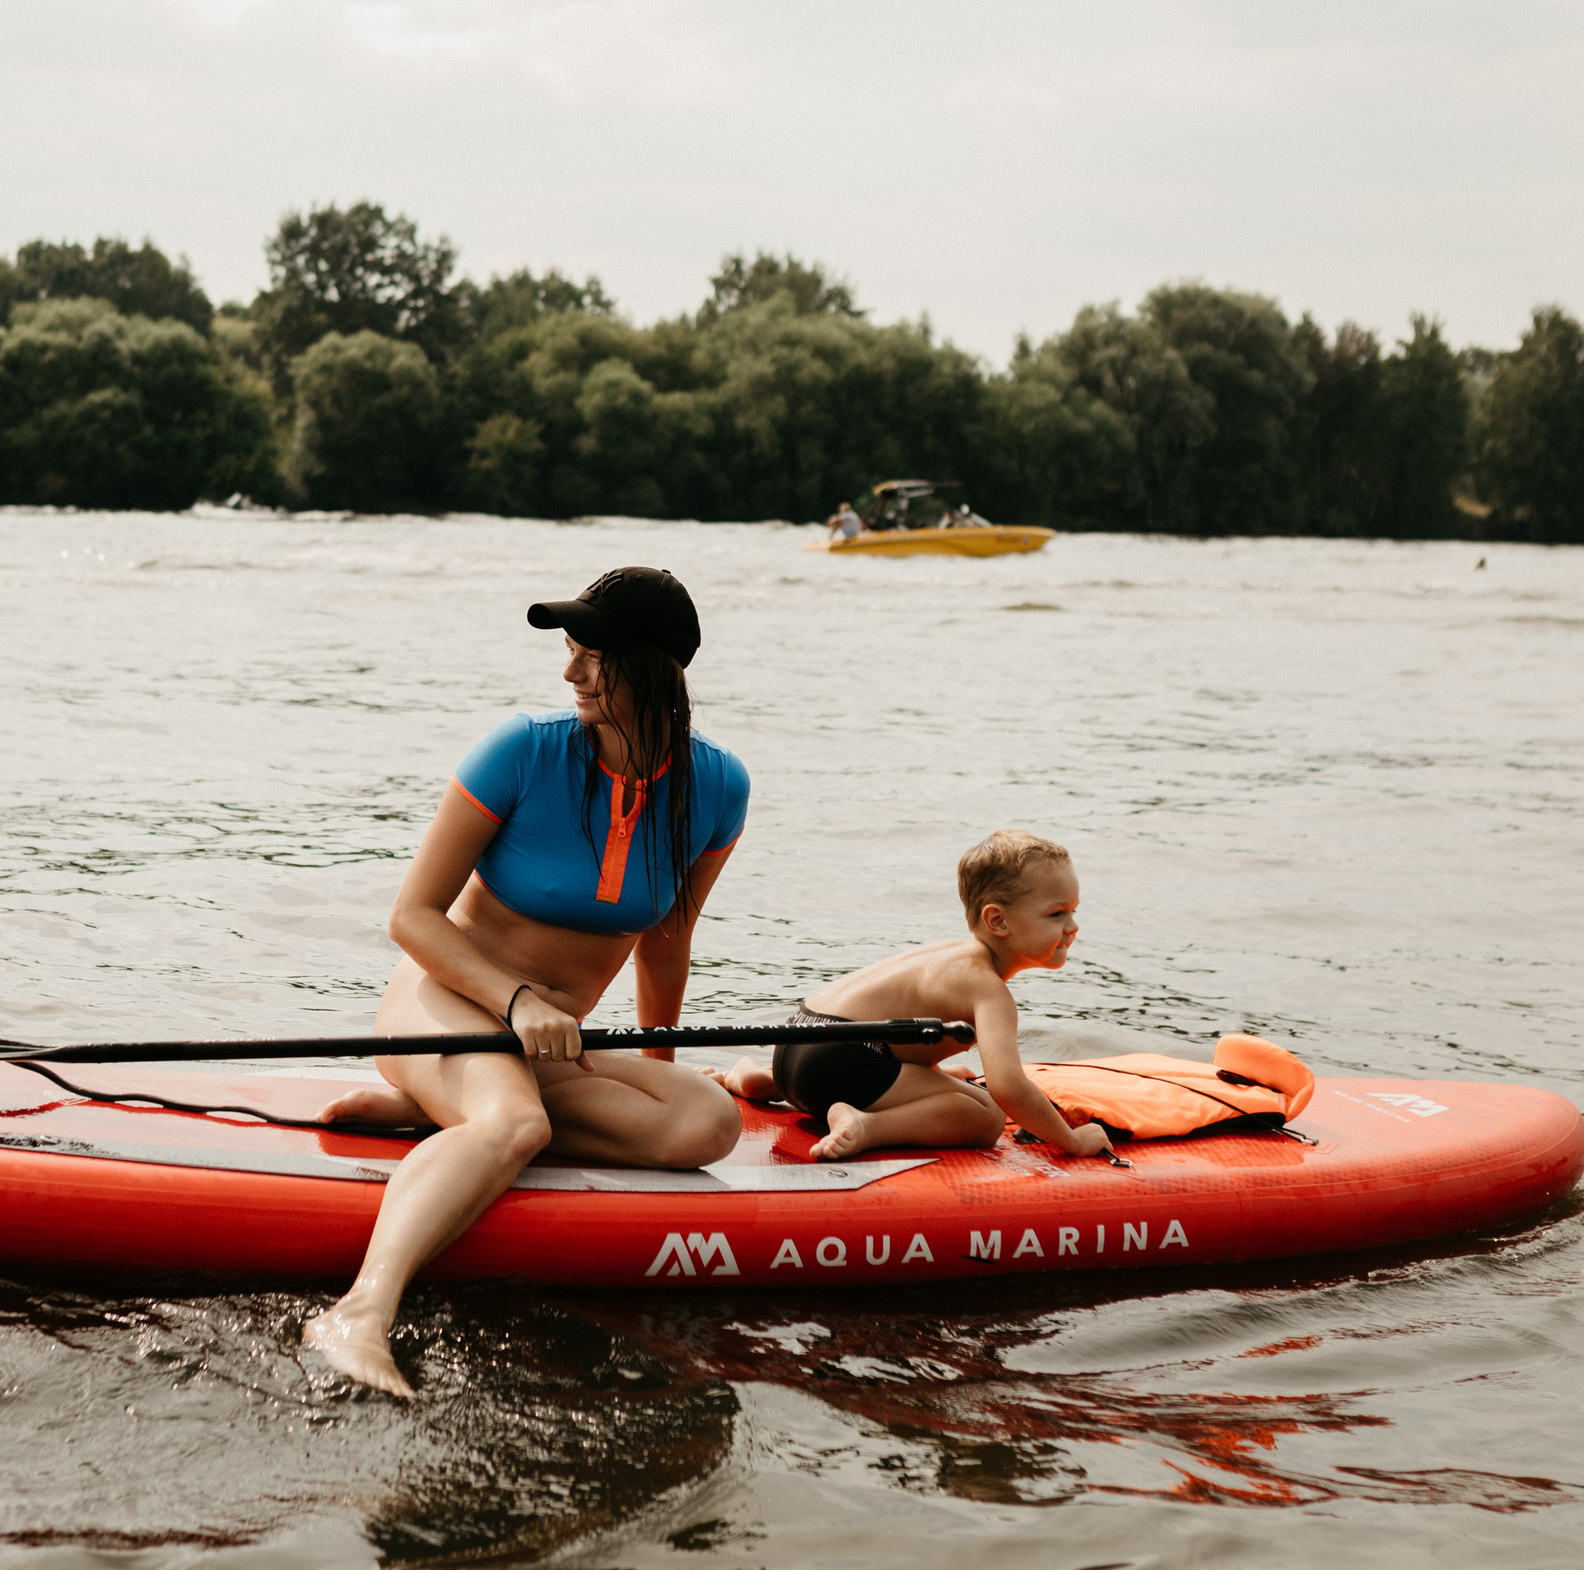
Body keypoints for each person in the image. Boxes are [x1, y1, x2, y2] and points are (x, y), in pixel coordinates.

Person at [303, 567, 750, 1396]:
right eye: (570, 653)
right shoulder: (522, 751)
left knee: (705, 1123)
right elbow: (413, 917)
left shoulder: (718, 787)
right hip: (446, 1002)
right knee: (516, 1128)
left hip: (544, 1045)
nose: (571, 674)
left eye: (592, 656)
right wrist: (511, 1000)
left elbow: (667, 938)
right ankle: (358, 1313)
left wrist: (658, 1070)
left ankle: (436, 1109)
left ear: (654, 669)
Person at [707, 829, 1111, 1162]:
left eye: (1074, 911)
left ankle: (753, 1079)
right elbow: (1008, 1088)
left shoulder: (949, 957)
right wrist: (1072, 1141)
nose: (1073, 925)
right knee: (986, 1116)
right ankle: (866, 1126)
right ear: (997, 920)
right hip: (838, 1064)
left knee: (951, 1078)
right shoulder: (989, 988)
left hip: (794, 1046)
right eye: (1057, 913)